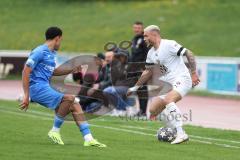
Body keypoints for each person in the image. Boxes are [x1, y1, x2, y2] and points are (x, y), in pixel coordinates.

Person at [20, 26, 106, 147]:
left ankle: (88, 138)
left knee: (75, 104)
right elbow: (26, 70)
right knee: (69, 98)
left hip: (45, 86)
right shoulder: (40, 51)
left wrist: (72, 70)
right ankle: (54, 130)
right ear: (57, 38)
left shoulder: (51, 53)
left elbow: (52, 72)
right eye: (61, 40)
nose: (60, 43)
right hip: (37, 88)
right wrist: (26, 95)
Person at [127, 25, 200, 144]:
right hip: (168, 84)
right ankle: (173, 130)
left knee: (168, 100)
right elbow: (148, 71)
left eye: (146, 35)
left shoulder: (169, 44)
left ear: (154, 34)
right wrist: (135, 87)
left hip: (182, 78)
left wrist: (193, 73)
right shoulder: (151, 52)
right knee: (153, 110)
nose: (144, 38)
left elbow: (189, 53)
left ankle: (181, 133)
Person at [130, 21, 149, 115]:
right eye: (135, 28)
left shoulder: (145, 39)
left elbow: (147, 54)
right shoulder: (134, 39)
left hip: (142, 69)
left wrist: (145, 68)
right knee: (138, 90)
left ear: (142, 29)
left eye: (138, 28)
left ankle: (143, 112)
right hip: (134, 68)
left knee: (143, 89)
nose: (136, 30)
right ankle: (140, 110)